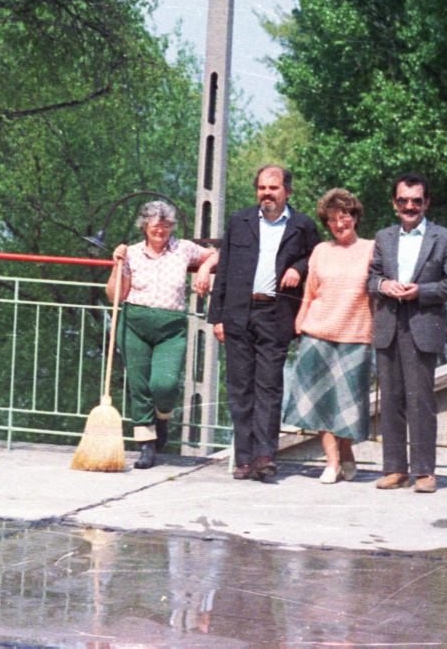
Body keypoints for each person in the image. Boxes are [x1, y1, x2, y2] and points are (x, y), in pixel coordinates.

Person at [207, 165, 322, 482]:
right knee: (240, 387)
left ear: (287, 191)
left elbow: (317, 257)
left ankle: (264, 456)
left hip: (276, 314)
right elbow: (224, 269)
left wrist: (299, 268)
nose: (267, 194)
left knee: (269, 387)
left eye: (273, 188)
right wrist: (217, 317)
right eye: (262, 188)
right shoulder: (240, 221)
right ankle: (244, 459)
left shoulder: (302, 225)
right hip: (238, 313)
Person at [366, 173, 447, 494]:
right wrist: (384, 285)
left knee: (420, 401)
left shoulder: (446, 238)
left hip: (423, 326)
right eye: (403, 201)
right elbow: (371, 279)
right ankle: (395, 469)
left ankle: (424, 472)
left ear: (427, 203)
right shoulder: (383, 237)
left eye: (416, 201)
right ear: (394, 204)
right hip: (388, 326)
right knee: (390, 400)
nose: (410, 206)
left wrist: (420, 291)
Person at [109, 201, 218, 468]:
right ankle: (146, 446)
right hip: (134, 324)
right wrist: (116, 265)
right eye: (156, 225)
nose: (161, 231)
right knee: (139, 386)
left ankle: (163, 417)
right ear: (145, 226)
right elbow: (116, 296)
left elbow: (215, 255)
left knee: (164, 385)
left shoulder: (183, 248)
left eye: (166, 226)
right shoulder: (131, 253)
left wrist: (204, 269)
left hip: (171, 328)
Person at [283, 188, 374, 484]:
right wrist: (300, 322)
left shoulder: (372, 249)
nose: (339, 224)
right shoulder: (321, 250)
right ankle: (332, 461)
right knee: (318, 403)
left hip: (356, 335)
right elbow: (310, 292)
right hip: (318, 332)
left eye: (344, 217)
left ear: (355, 217)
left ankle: (346, 451)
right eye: (332, 220)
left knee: (349, 405)